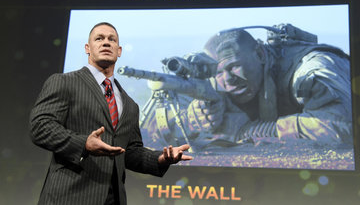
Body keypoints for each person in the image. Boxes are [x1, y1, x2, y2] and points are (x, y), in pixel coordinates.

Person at [29, 22, 192, 205]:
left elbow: (130, 152)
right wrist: (84, 144)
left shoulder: (130, 104)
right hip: (68, 196)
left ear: (119, 50)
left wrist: (161, 159)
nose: (106, 43)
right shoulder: (64, 82)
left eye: (111, 39)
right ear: (87, 48)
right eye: (99, 38)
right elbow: (40, 126)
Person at [186, 24, 353, 147]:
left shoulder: (309, 72)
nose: (227, 79)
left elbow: (341, 127)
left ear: (260, 54)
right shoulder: (218, 81)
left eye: (234, 66)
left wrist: (249, 131)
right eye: (218, 72)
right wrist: (196, 117)